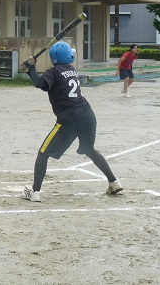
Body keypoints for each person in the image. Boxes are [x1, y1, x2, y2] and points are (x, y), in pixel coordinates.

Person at [19, 41, 123, 202]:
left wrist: (31, 68)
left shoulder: (53, 72)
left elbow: (40, 84)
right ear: (69, 56)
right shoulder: (71, 70)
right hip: (88, 116)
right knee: (89, 149)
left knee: (43, 153)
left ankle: (35, 192)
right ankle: (114, 182)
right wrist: (30, 68)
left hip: (69, 120)